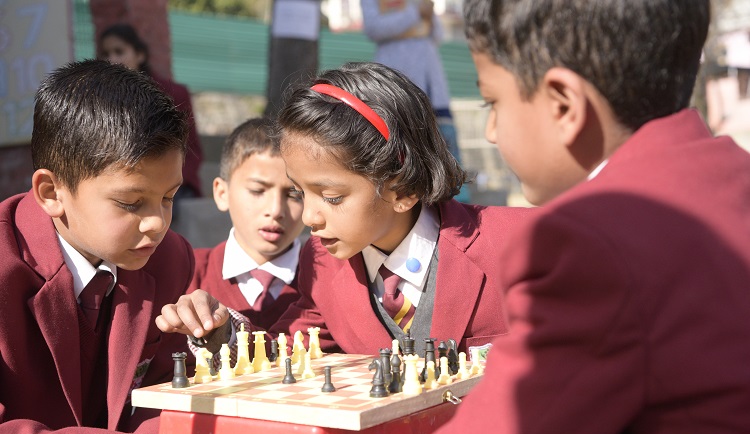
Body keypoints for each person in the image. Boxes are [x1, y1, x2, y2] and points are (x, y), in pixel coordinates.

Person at [343, 0, 750, 434]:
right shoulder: (731, 173)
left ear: (563, 105)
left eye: (493, 103)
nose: (491, 132)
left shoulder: (594, 244)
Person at [157, 62, 529, 359]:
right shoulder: (321, 265)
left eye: (332, 197)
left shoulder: (522, 243)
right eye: (301, 192)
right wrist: (220, 331)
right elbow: (287, 356)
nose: (308, 218)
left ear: (402, 189)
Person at [0, 60, 195, 434]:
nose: (157, 223)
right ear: (51, 192)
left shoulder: (169, 259)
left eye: (168, 197)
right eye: (131, 203)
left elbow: (167, 390)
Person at [187, 117, 305, 367]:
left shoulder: (326, 282)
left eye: (294, 194)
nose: (275, 210)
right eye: (257, 191)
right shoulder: (187, 273)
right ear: (222, 193)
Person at [361, 0, 470, 202]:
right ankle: (406, 199)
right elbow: (373, 28)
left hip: (430, 80)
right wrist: (415, 13)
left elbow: (437, 34)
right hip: (393, 81)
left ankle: (455, 203)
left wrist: (427, 14)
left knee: (444, 141)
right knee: (398, 144)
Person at [99, 23, 204, 201]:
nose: (112, 60)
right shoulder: (101, 98)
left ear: (140, 54)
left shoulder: (173, 93)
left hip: (173, 182)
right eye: (106, 54)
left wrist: (169, 180)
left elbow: (191, 148)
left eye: (119, 51)